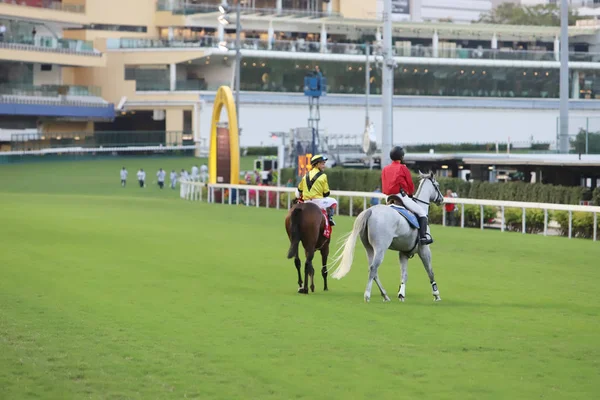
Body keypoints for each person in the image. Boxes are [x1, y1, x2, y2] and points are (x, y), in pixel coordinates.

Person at [381, 146, 433, 245]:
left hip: (388, 197)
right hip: (400, 196)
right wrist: (410, 194)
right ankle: (423, 238)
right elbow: (409, 184)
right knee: (422, 213)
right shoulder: (402, 168)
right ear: (401, 157)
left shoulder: (385, 169)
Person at [295, 154, 337, 226]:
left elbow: (299, 189)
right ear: (317, 164)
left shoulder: (305, 175)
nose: (324, 166)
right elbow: (326, 193)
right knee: (334, 201)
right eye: (322, 164)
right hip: (318, 202)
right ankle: (330, 218)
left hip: (306, 202)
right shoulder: (323, 176)